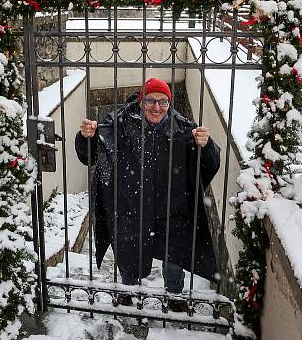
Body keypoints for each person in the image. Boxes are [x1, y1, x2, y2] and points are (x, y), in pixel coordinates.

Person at [75, 77, 221, 312]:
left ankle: (174, 296)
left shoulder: (183, 127)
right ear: (141, 101)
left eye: (163, 102)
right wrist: (86, 137)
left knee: (174, 260)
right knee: (128, 256)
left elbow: (209, 165)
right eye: (150, 101)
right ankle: (129, 293)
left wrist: (208, 145)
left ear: (170, 103)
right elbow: (89, 156)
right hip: (129, 207)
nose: (156, 107)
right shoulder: (118, 122)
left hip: (171, 210)